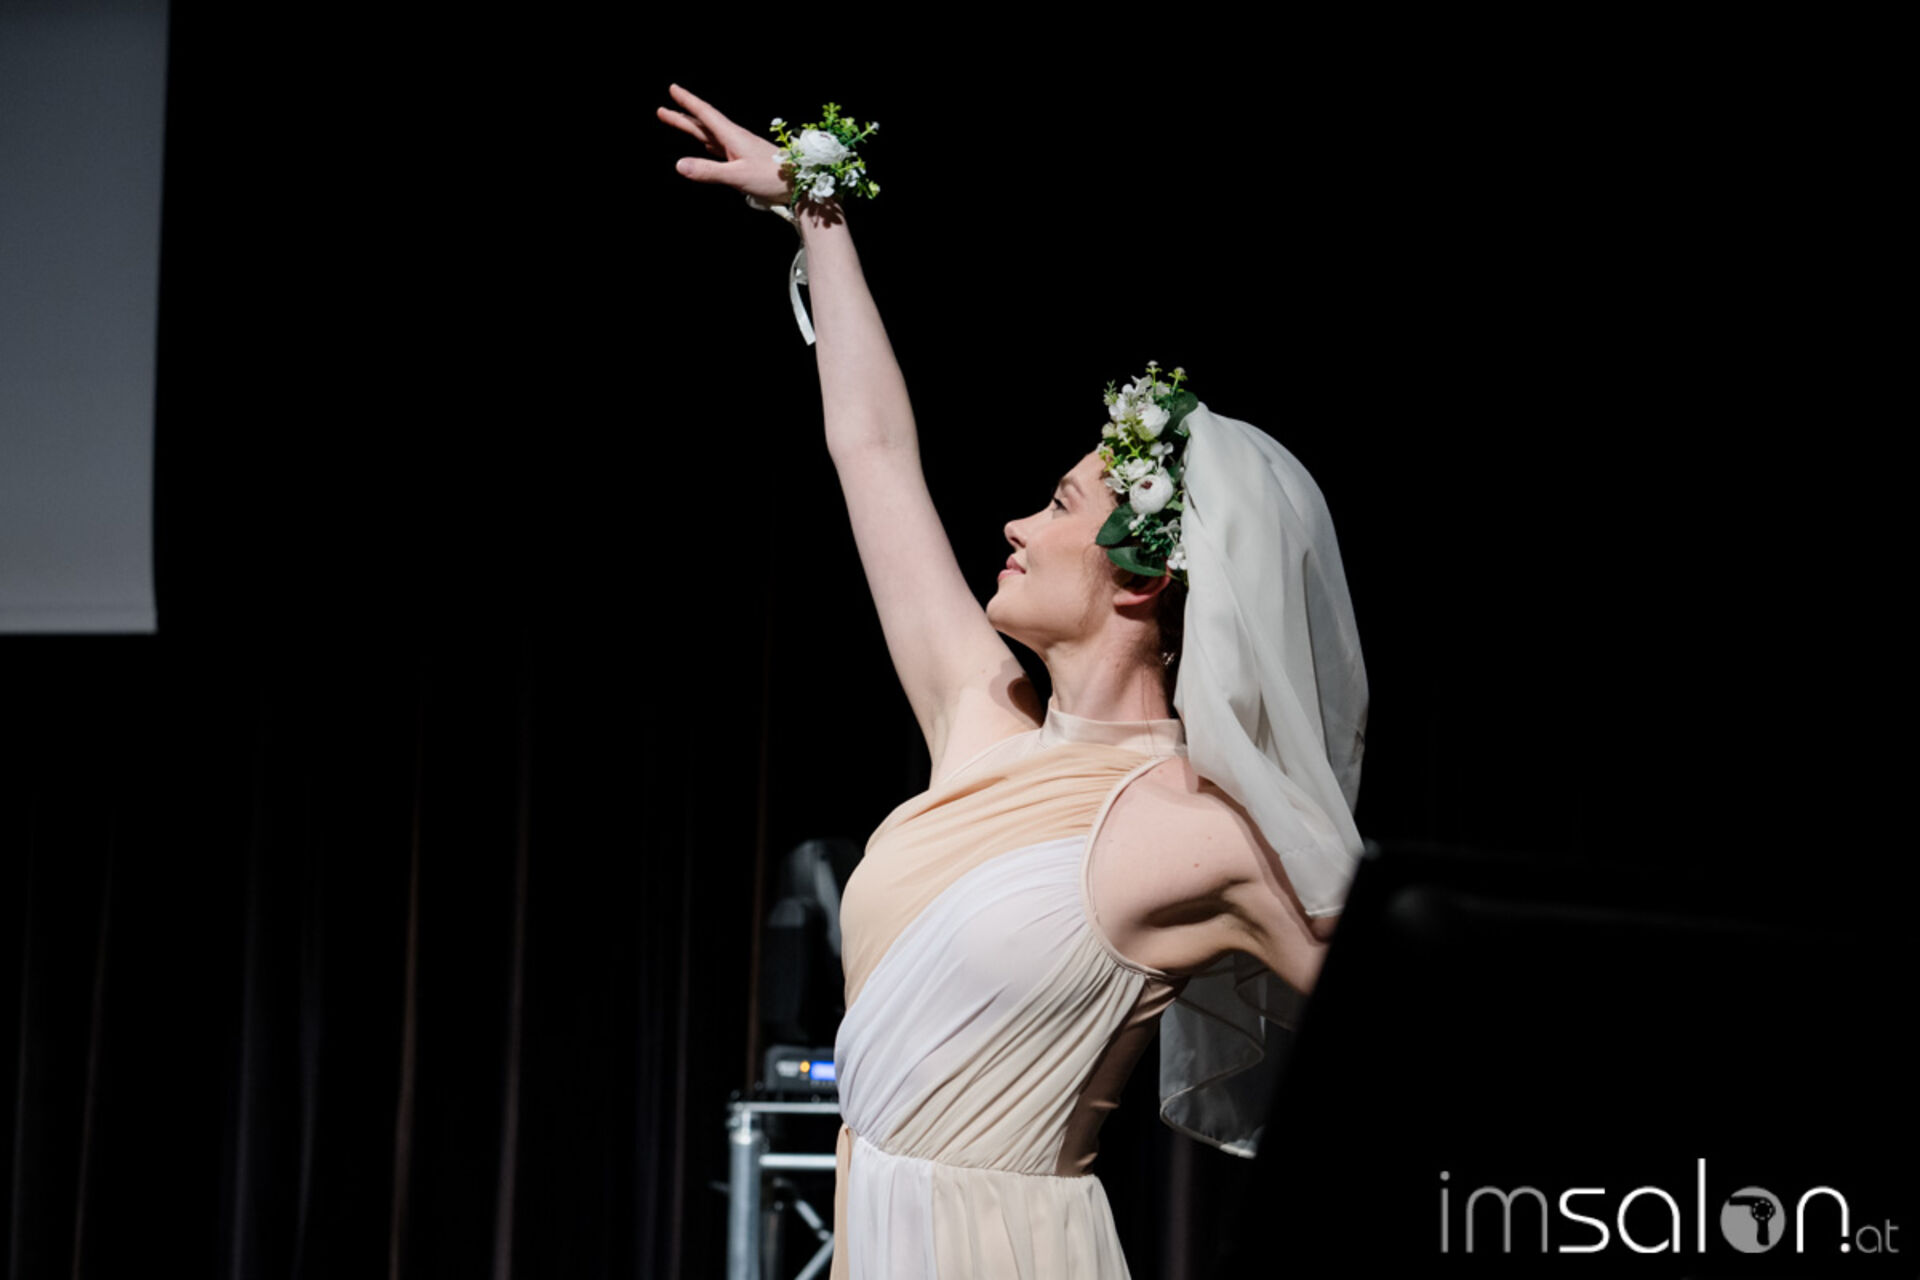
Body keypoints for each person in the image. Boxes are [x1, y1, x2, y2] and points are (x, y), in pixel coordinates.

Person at [660, 84, 1368, 1280]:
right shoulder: (979, 714)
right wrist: (817, 212)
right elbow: (872, 448)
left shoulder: (1198, 829)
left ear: (1143, 581)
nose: (1018, 525)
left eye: (1059, 503)